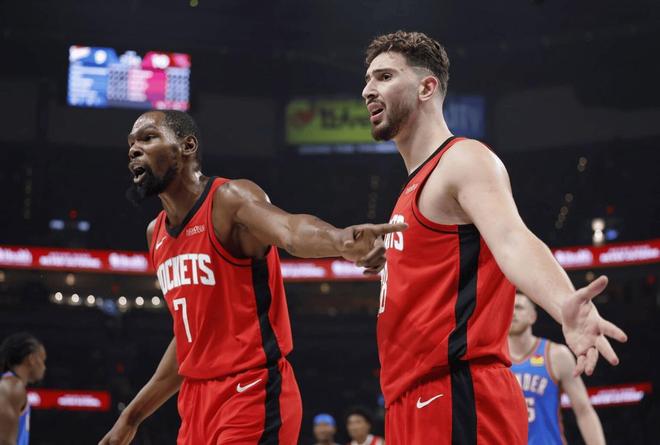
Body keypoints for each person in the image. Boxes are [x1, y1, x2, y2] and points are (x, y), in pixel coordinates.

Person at [361, 30, 627, 444]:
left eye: (384, 76)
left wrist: (563, 305)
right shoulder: (412, 189)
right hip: (413, 398)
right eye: (367, 79)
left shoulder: (462, 159)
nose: (367, 90)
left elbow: (513, 240)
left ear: (426, 87)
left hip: (457, 392)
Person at [99, 110, 405, 445]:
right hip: (196, 404)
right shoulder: (155, 234)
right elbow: (191, 339)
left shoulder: (228, 200)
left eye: (148, 138)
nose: (134, 149)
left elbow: (290, 230)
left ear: (187, 146)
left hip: (252, 390)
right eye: (131, 143)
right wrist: (131, 417)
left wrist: (341, 240)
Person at [509, 293, 606, 445]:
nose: (512, 312)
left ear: (532, 316)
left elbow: (584, 411)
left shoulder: (556, 355)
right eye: (508, 308)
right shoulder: (491, 359)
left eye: (518, 307)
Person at [0, 333, 47, 445]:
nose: (44, 367)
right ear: (31, 359)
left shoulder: (12, 385)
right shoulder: (12, 387)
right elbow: (4, 441)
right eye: (42, 360)